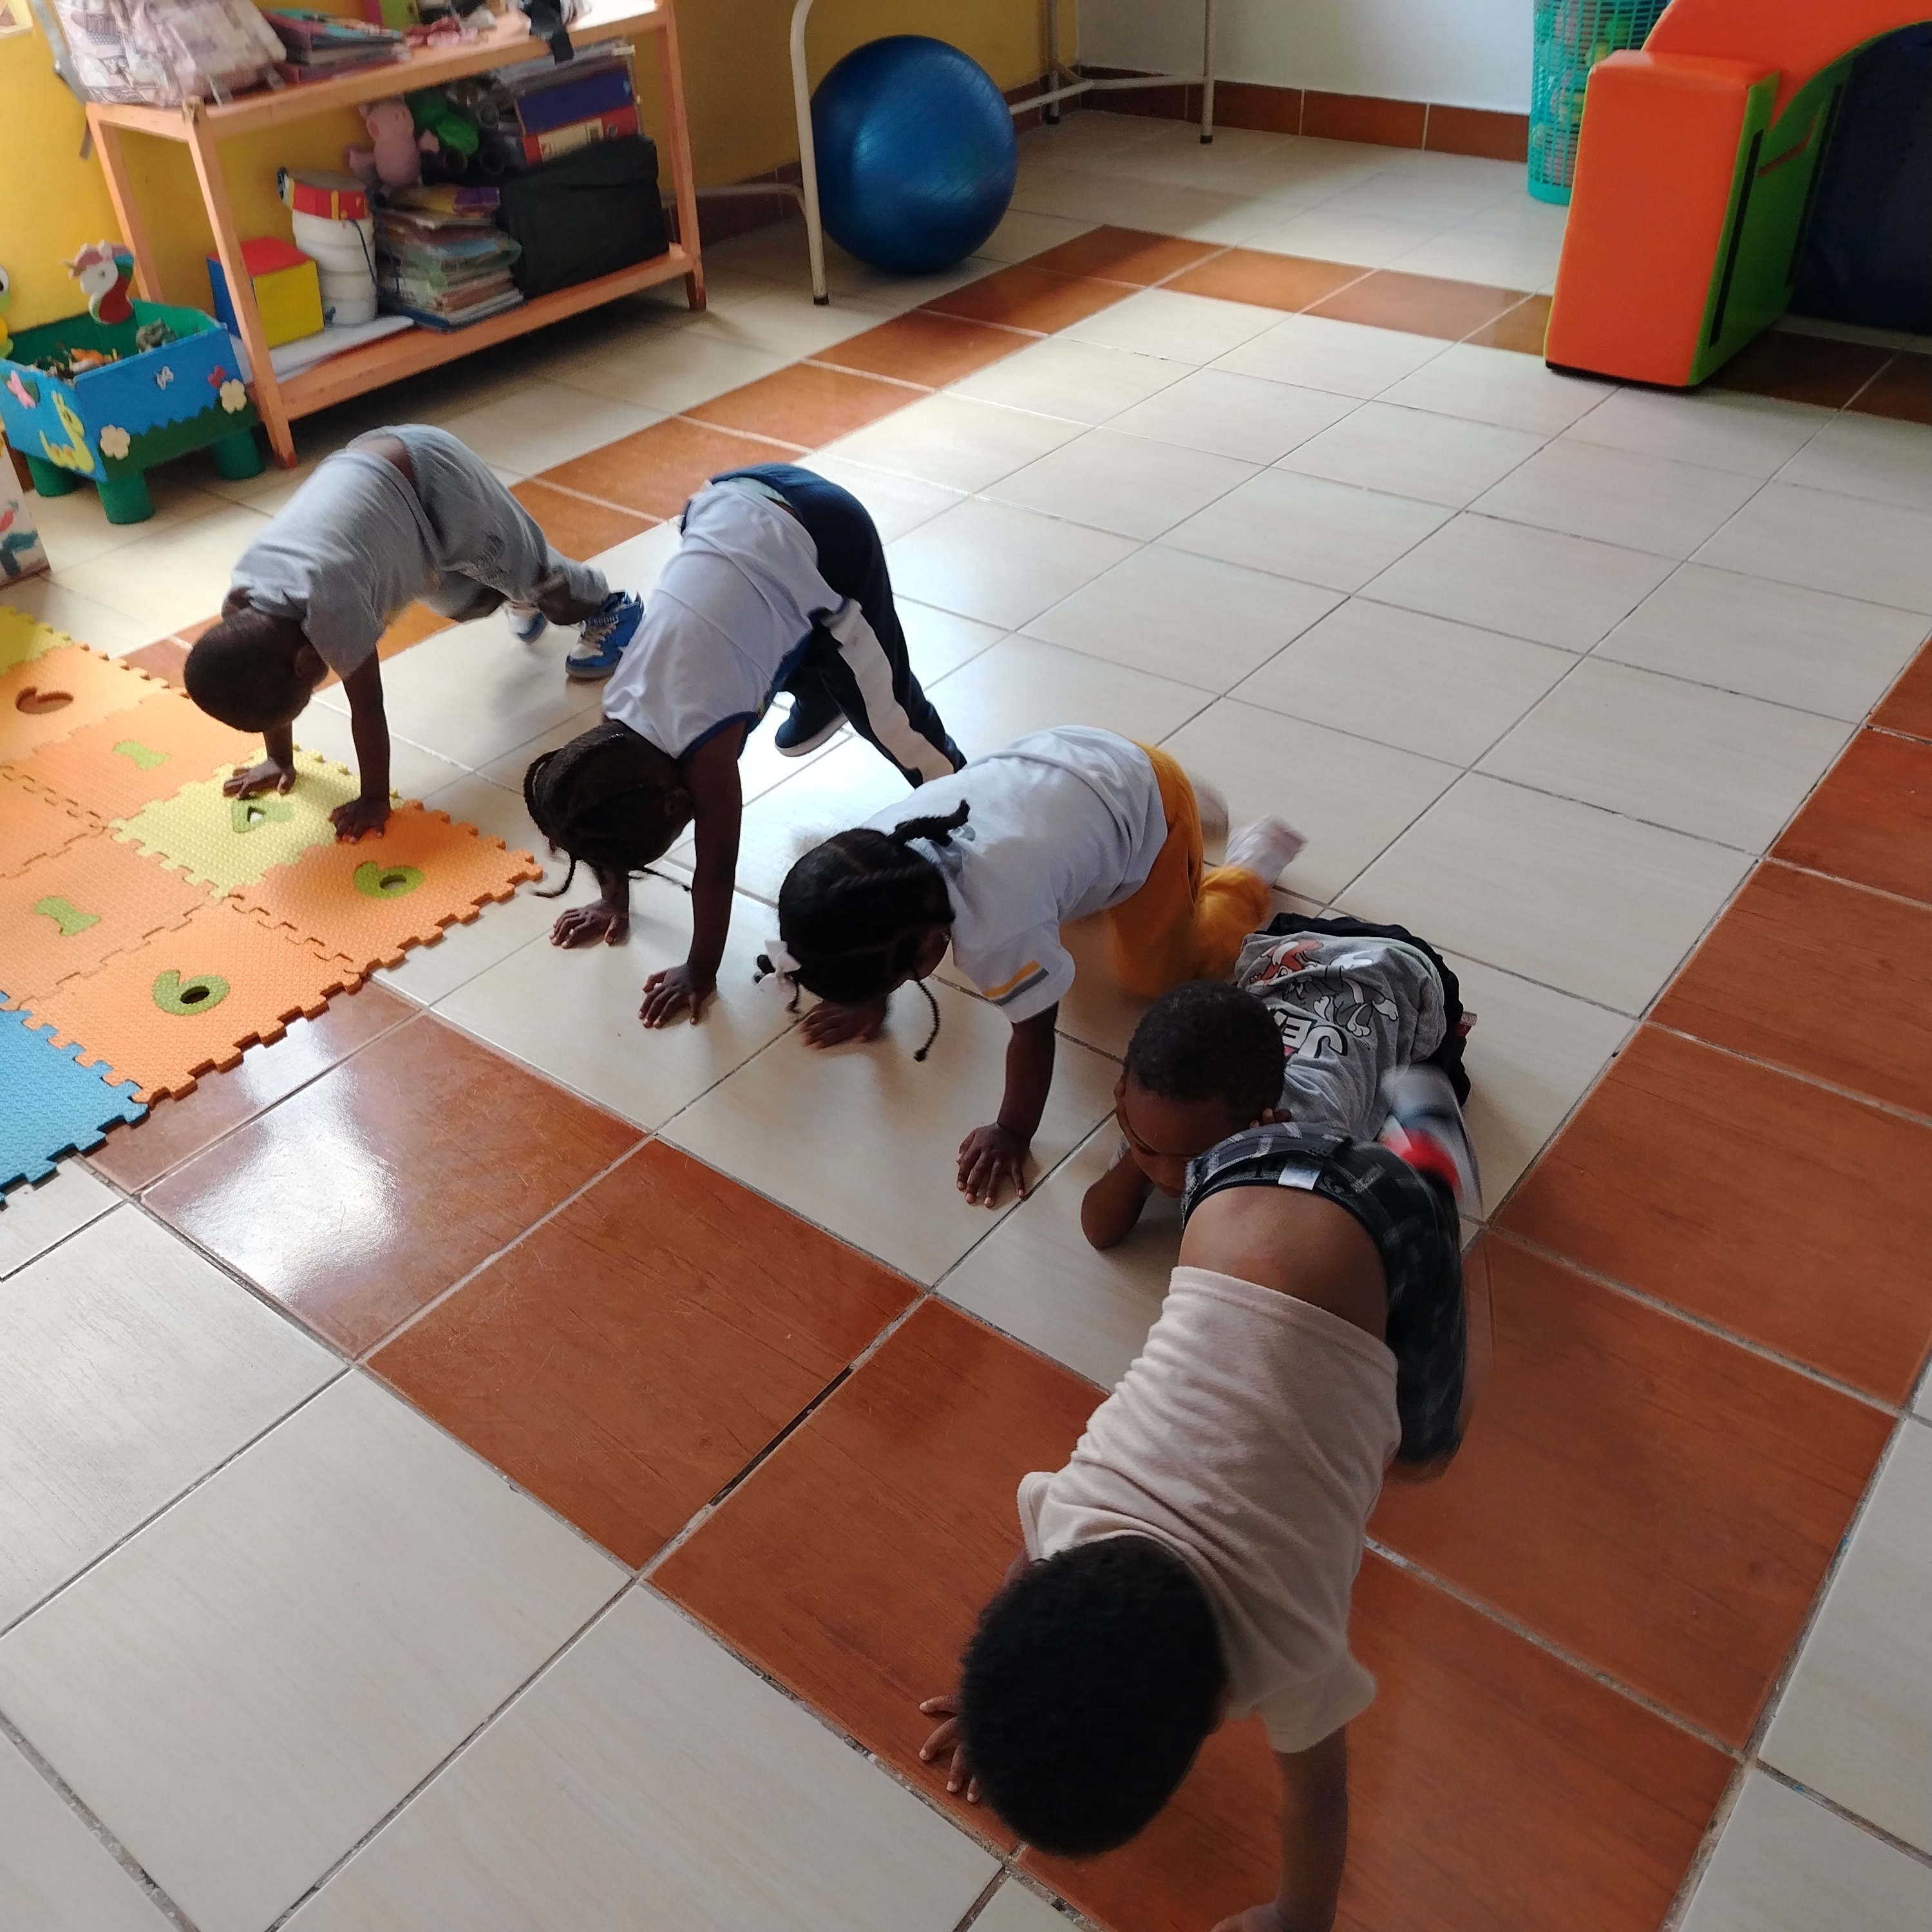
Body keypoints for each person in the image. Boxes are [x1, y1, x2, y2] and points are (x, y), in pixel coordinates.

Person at [918, 980, 1481, 1932]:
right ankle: (1363, 1133)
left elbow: (1319, 1799)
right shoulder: (1073, 1517)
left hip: (1382, 1216)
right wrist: (990, 1703)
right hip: (1230, 1180)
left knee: (1426, 1450)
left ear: (1222, 1705)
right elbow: (1026, 1575)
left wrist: (1297, 1919)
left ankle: (1429, 1144)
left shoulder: (1292, 1650)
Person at [767, 726, 1303, 1206]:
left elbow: (1033, 1034)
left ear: (929, 940)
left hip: (1145, 813)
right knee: (1061, 897)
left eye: (898, 977)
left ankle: (1244, 865)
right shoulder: (873, 856)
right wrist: (870, 994)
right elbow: (868, 928)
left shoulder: (1000, 926)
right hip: (1065, 758)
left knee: (1160, 974)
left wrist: (1012, 1131)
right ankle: (1158, 782)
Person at [523, 463, 964, 1028]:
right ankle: (822, 688)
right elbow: (589, 814)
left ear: (675, 804)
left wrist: (700, 970)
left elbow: (715, 872)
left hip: (826, 535)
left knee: (890, 716)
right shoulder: (613, 719)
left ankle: (968, 796)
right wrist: (613, 900)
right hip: (729, 500)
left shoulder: (706, 759)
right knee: (759, 628)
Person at [184, 424, 640, 842]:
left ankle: (609, 609)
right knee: (459, 599)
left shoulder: (330, 604)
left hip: (434, 480)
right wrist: (279, 759)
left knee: (531, 569)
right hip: (378, 482)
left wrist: (374, 799)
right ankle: (512, 590)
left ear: (306, 663)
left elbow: (367, 707)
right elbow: (261, 674)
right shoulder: (245, 603)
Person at [1082, 918, 1473, 1248]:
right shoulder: (1159, 1118)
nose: (1168, 1177)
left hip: (1402, 972)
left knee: (1432, 1084)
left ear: (1260, 1122)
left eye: (1191, 1160)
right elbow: (1099, 1229)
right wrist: (1137, 1157)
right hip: (1291, 945)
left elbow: (1283, 1252)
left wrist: (1268, 1168)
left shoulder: (1314, 1129)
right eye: (1148, 1148)